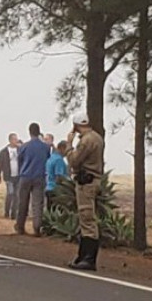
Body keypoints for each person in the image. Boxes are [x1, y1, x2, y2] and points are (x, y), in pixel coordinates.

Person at [66, 112, 105, 271]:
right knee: (86, 218)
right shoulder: (97, 137)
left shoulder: (86, 141)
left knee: (86, 217)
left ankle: (88, 258)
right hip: (92, 181)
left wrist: (69, 145)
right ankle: (82, 256)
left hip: (86, 183)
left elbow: (74, 161)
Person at [15, 123, 51, 235]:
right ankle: (37, 227)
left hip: (25, 176)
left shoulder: (24, 146)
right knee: (37, 203)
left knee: (22, 202)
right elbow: (47, 160)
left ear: (29, 132)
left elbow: (19, 160)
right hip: (39, 176)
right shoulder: (45, 147)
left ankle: (20, 226)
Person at [0, 133, 20, 219]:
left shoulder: (19, 150)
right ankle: (7, 211)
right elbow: (0, 164)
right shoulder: (4, 151)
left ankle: (14, 213)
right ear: (10, 140)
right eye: (14, 139)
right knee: (10, 193)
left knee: (17, 195)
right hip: (8, 176)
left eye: (16, 139)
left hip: (18, 176)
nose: (16, 141)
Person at [45, 140, 69, 208]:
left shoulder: (51, 158)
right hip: (56, 190)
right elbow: (59, 176)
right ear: (62, 148)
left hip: (49, 187)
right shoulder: (59, 160)